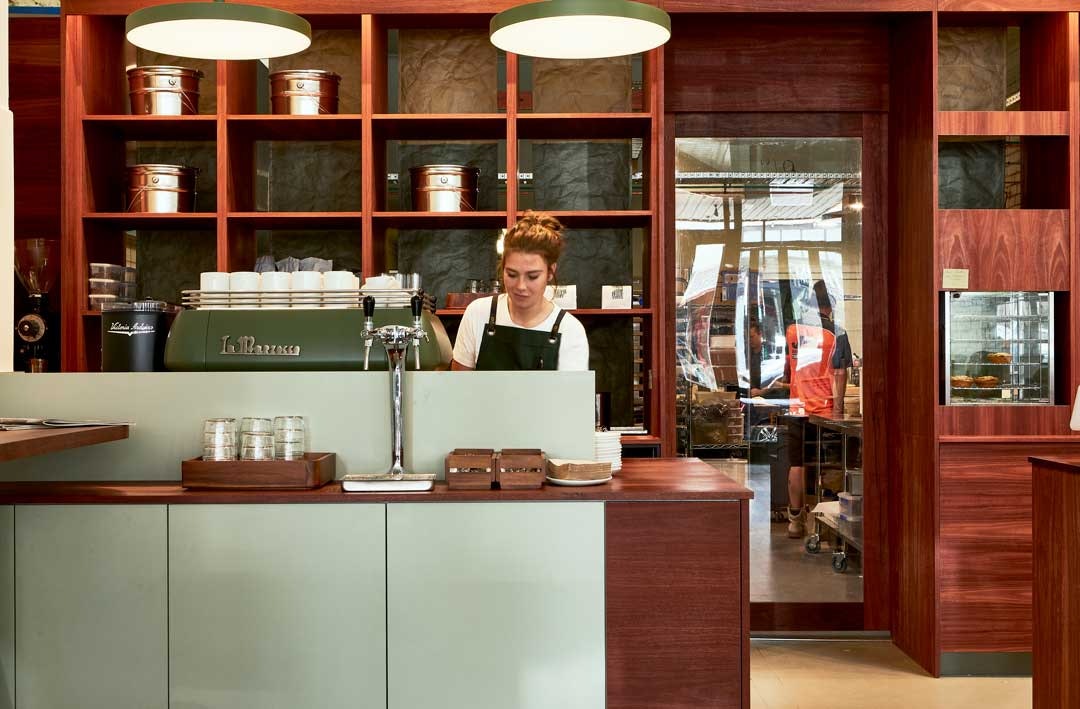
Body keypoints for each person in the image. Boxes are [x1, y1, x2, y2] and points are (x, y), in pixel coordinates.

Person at [452, 211, 589, 371]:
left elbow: (571, 389)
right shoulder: (478, 313)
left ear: (550, 272)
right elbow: (459, 384)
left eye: (532, 276)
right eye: (512, 274)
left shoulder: (570, 331)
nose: (520, 286)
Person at [783, 280, 852, 538]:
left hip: (797, 406)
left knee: (797, 464)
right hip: (824, 411)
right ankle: (823, 523)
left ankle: (795, 522)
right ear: (831, 306)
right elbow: (840, 374)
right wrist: (839, 409)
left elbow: (788, 368)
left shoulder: (793, 330)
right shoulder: (837, 332)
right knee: (829, 464)